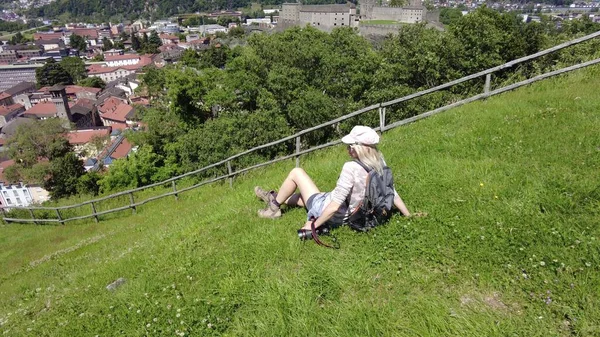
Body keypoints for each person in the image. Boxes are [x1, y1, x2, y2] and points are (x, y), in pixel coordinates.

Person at [254, 125, 414, 232]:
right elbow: (390, 191)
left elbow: (333, 207)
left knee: (297, 173)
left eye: (350, 146)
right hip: (355, 212)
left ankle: (273, 208)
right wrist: (408, 215)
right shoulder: (379, 160)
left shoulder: (350, 168)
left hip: (330, 211)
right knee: (302, 198)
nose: (348, 150)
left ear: (359, 147)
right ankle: (273, 197)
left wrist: (313, 225)